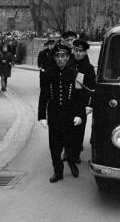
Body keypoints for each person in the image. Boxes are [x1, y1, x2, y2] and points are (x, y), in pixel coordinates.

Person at [38, 44, 82, 183]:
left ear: (68, 57)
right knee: (54, 145)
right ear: (54, 58)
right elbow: (43, 96)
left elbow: (80, 97)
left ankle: (72, 162)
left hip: (70, 114)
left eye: (64, 56)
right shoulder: (48, 74)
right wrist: (42, 116)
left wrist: (79, 114)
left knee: (71, 143)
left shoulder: (77, 75)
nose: (61, 59)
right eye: (58, 56)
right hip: (54, 114)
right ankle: (58, 171)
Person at [72, 39, 96, 164]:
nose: (78, 53)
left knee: (79, 129)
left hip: (81, 102)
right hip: (68, 101)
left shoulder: (89, 68)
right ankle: (68, 151)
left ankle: (76, 154)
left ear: (85, 53)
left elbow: (92, 88)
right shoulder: (68, 64)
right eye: (76, 50)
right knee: (67, 128)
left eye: (80, 51)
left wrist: (89, 104)